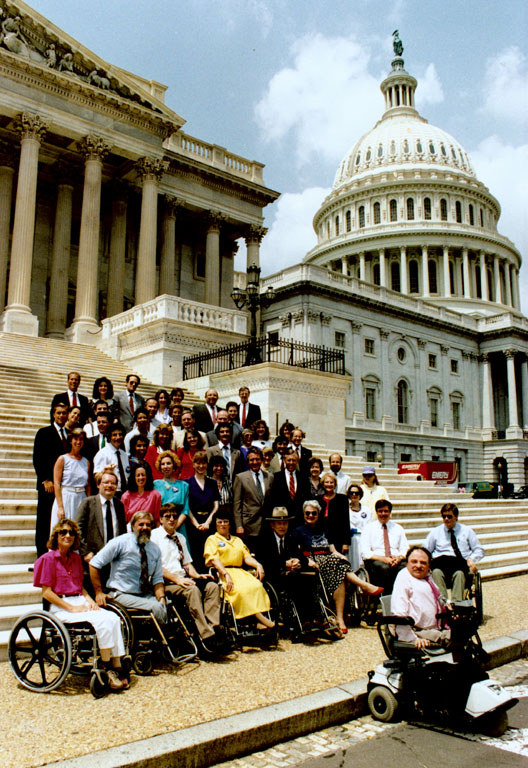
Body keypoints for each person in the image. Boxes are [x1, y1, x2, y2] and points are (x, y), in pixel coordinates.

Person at [34, 519, 127, 690]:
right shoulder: (48, 559)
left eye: (71, 533)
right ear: (56, 536)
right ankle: (106, 667)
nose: (67, 535)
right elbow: (46, 593)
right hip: (61, 605)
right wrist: (72, 608)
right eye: (63, 532)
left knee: (113, 618)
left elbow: (80, 587)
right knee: (102, 621)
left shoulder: (76, 558)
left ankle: (117, 664)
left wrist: (90, 600)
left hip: (79, 599)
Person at [292, 501, 382, 634]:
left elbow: (332, 550)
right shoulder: (298, 531)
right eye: (308, 513)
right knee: (337, 563)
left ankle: (340, 618)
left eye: (314, 513)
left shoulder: (324, 529)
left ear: (318, 514)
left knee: (340, 566)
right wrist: (307, 561)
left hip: (329, 560)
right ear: (303, 514)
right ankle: (363, 586)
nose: (310, 516)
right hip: (312, 561)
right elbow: (296, 551)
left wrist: (341, 556)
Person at [151, 505, 223, 654]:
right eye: (168, 516)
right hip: (166, 582)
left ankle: (214, 627)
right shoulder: (154, 537)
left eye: (174, 516)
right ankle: (205, 635)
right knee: (192, 590)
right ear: (161, 519)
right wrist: (177, 580)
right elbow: (156, 567)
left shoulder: (180, 537)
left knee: (212, 586)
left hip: (183, 579)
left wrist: (197, 575)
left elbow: (187, 563)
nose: (172, 519)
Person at [90, 511, 167, 624]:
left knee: (166, 604)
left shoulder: (154, 549)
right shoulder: (120, 543)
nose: (145, 527)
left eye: (148, 525)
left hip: (144, 595)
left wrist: (161, 598)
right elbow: (94, 564)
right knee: (156, 607)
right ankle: (165, 633)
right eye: (141, 524)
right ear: (132, 526)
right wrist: (98, 593)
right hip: (121, 594)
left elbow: (158, 579)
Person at [204, 510, 274, 630]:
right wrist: (225, 574)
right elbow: (214, 560)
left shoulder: (237, 540)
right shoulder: (212, 539)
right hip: (223, 572)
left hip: (240, 572)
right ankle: (263, 620)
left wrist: (258, 565)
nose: (222, 524)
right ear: (215, 524)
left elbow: (246, 557)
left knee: (256, 586)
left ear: (230, 524)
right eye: (219, 522)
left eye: (225, 522)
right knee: (240, 590)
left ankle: (257, 620)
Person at [75, 470, 127, 590]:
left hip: (114, 564)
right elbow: (77, 530)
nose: (109, 486)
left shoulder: (119, 505)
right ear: (98, 485)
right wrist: (85, 552)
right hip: (92, 561)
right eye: (106, 482)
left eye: (113, 483)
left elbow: (123, 533)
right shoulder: (88, 503)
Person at [391, 546, 450, 649]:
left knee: (465, 629)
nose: (418, 566)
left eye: (423, 563)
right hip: (418, 632)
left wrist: (449, 605)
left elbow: (438, 597)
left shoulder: (427, 577)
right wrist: (413, 639)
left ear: (428, 565)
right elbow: (399, 613)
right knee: (455, 638)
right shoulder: (403, 578)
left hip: (435, 629)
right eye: (414, 562)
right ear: (407, 563)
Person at [424, 503, 484, 602]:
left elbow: (479, 549)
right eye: (444, 516)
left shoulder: (467, 531)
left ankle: (457, 604)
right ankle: (443, 604)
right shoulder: (435, 532)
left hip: (461, 564)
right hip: (441, 564)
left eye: (449, 516)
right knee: (436, 572)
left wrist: (471, 559)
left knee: (459, 574)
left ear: (456, 516)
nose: (446, 519)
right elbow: (425, 550)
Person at [361, 499, 408, 623]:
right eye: (380, 511)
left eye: (386, 511)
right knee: (384, 569)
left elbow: (404, 548)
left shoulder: (398, 528)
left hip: (395, 560)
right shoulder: (369, 528)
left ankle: (404, 606)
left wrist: (398, 558)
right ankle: (388, 607)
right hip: (376, 561)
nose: (383, 514)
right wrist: (384, 559)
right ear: (376, 512)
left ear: (390, 512)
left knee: (407, 569)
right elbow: (365, 552)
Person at [33, 402, 69, 556]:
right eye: (58, 413)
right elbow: (37, 458)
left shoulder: (69, 434)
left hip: (63, 486)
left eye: (64, 413)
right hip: (48, 486)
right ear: (53, 414)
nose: (61, 416)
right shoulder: (44, 432)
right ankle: (42, 556)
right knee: (44, 522)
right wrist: (45, 479)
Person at [233, 447, 274, 551]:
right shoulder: (240, 478)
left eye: (257, 459)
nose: (255, 462)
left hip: (266, 525)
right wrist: (239, 526)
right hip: (248, 525)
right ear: (248, 461)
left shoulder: (269, 477)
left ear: (262, 460)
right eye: (252, 460)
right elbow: (237, 504)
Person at [185, 451, 220, 570]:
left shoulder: (212, 483)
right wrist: (196, 524)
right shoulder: (187, 483)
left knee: (210, 553)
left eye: (204, 463)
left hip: (209, 523)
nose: (201, 466)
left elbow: (216, 505)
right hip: (193, 524)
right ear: (193, 464)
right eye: (198, 463)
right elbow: (187, 506)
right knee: (195, 554)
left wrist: (207, 523)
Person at [50, 428, 90, 530]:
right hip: (66, 498)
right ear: (71, 441)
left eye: (81, 439)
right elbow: (57, 483)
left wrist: (88, 503)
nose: (78, 442)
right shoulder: (62, 459)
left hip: (81, 498)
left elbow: (88, 485)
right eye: (75, 439)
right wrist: (60, 507)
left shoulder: (86, 462)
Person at [153, 451, 190, 541]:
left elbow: (185, 510)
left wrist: (175, 526)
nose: (166, 466)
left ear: (174, 465)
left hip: (179, 525)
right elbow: (154, 509)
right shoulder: (155, 485)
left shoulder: (184, 485)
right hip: (161, 526)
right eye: (163, 464)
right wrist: (163, 528)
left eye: (168, 463)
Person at [270, 450, 309, 524]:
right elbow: (273, 499)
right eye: (289, 460)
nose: (291, 462)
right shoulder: (276, 477)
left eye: (293, 460)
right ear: (284, 461)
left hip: (299, 519)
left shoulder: (303, 477)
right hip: (282, 519)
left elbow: (307, 498)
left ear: (297, 461)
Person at [93, 423, 130, 496]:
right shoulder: (102, 454)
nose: (118, 437)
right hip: (110, 492)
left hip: (125, 493)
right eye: (114, 435)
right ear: (109, 437)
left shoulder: (124, 455)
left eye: (120, 434)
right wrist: (104, 471)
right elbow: (96, 477)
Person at [319, 471, 350, 555]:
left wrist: (346, 542)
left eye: (331, 482)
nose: (329, 484)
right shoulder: (317, 499)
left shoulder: (342, 499)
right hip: (321, 538)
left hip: (338, 538)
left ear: (335, 484)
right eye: (326, 482)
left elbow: (346, 521)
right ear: (323, 484)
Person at [346, 484, 370, 571]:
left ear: (360, 495)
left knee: (361, 563)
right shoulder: (345, 509)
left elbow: (368, 526)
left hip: (363, 539)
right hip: (350, 540)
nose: (354, 495)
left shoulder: (366, 510)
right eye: (352, 493)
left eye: (356, 493)